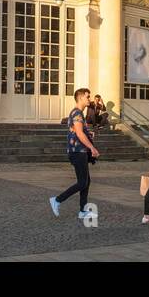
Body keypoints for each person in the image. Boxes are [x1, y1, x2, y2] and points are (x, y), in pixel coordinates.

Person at [50, 88, 101, 221]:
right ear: (80, 98)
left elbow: (78, 132)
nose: (89, 99)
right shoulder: (77, 113)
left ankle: (83, 210)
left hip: (79, 151)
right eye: (87, 97)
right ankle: (57, 200)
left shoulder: (78, 114)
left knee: (86, 181)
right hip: (77, 151)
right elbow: (79, 133)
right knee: (82, 182)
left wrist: (89, 134)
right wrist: (92, 148)